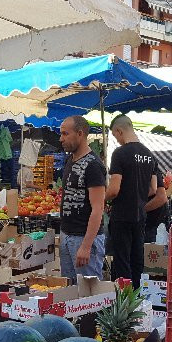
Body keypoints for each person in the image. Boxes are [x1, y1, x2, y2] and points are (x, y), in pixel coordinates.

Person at [106, 114, 157, 287]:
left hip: (121, 215)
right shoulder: (149, 155)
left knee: (122, 261)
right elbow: (154, 189)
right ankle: (136, 298)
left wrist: (100, 199)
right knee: (136, 259)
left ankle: (124, 300)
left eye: (115, 135)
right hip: (140, 215)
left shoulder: (120, 154)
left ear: (119, 131)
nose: (117, 140)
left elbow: (113, 190)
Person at [58, 116, 107, 279]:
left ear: (80, 134)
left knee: (88, 295)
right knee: (69, 293)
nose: (61, 139)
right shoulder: (69, 160)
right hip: (67, 236)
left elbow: (98, 208)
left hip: (84, 239)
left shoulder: (93, 165)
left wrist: (86, 246)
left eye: (65, 134)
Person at [143, 162, 168, 243]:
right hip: (146, 224)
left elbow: (161, 197)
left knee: (152, 253)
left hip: (155, 224)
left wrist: (139, 209)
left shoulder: (149, 165)